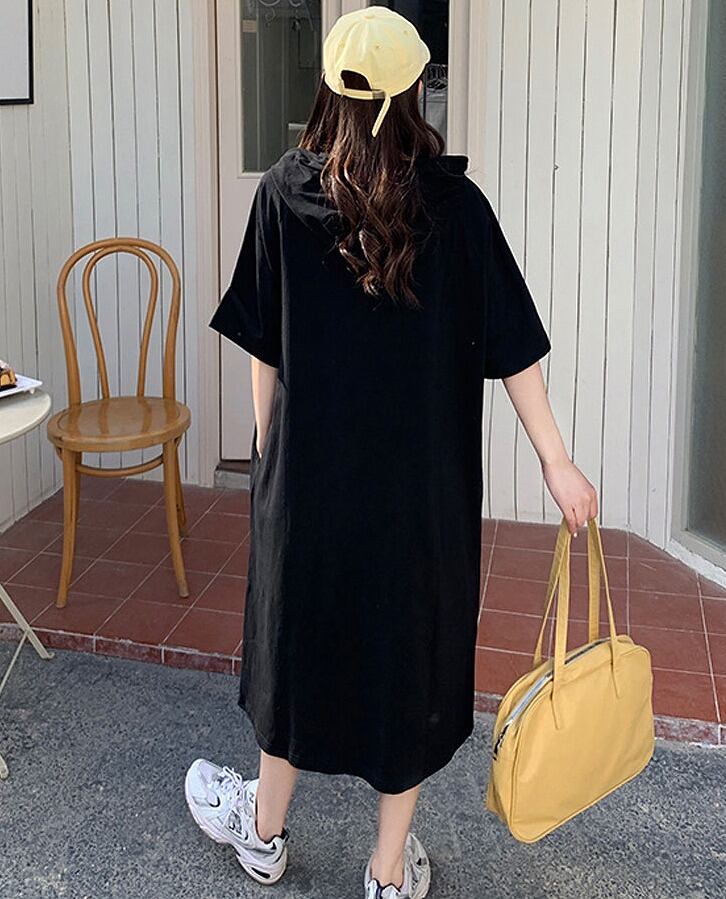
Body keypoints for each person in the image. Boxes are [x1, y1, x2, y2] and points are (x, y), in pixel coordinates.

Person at [184, 7, 598, 899]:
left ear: (329, 92)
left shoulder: (283, 194)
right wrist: (555, 459)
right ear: (413, 94)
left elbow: (264, 348)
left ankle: (264, 831)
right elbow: (513, 346)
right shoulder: (456, 209)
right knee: (406, 657)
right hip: (420, 493)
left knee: (297, 641)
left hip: (311, 482)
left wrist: (269, 453)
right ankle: (386, 871)